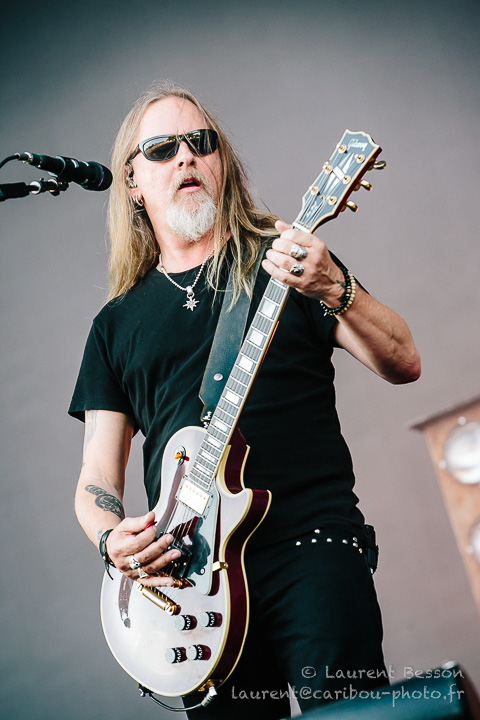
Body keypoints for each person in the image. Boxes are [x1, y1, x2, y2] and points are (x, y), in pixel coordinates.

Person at [69, 81, 421, 719]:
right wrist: (109, 539)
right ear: (132, 182)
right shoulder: (115, 325)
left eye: (200, 142)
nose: (186, 156)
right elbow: (97, 474)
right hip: (193, 585)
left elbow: (403, 361)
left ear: (221, 161)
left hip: (312, 548)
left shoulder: (289, 264)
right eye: (162, 148)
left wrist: (335, 286)